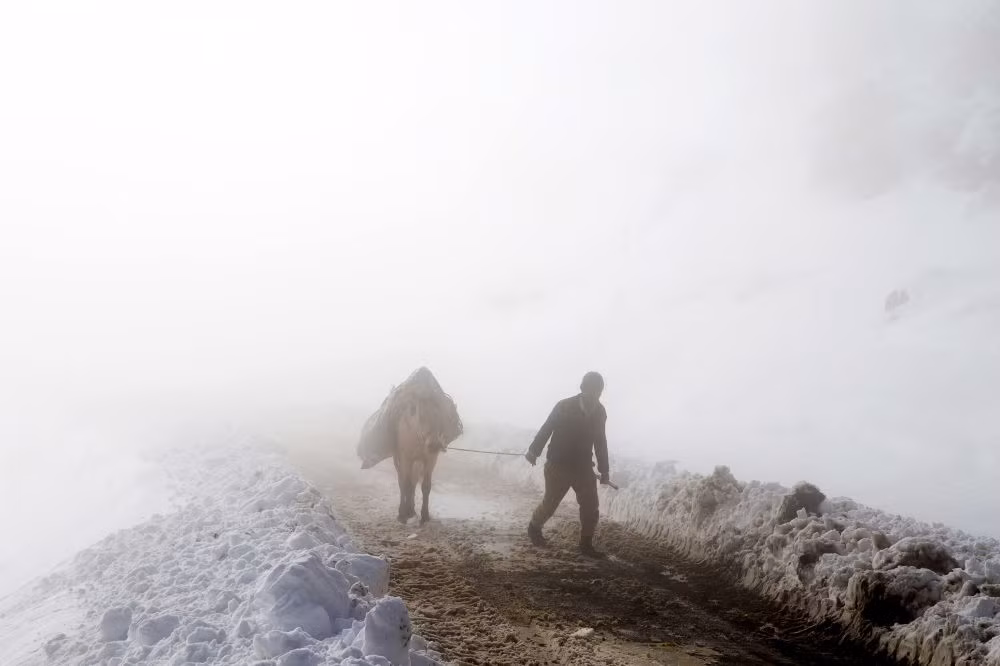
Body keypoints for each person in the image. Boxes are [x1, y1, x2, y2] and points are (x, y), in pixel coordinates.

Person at [524, 371, 611, 558]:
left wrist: (604, 470)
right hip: (558, 465)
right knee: (550, 504)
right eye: (592, 390)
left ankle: (586, 544)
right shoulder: (563, 406)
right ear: (583, 389)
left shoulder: (600, 412)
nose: (596, 395)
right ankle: (534, 528)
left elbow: (601, 442)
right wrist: (534, 451)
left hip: (583, 467)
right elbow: (547, 428)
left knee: (590, 507)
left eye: (599, 391)